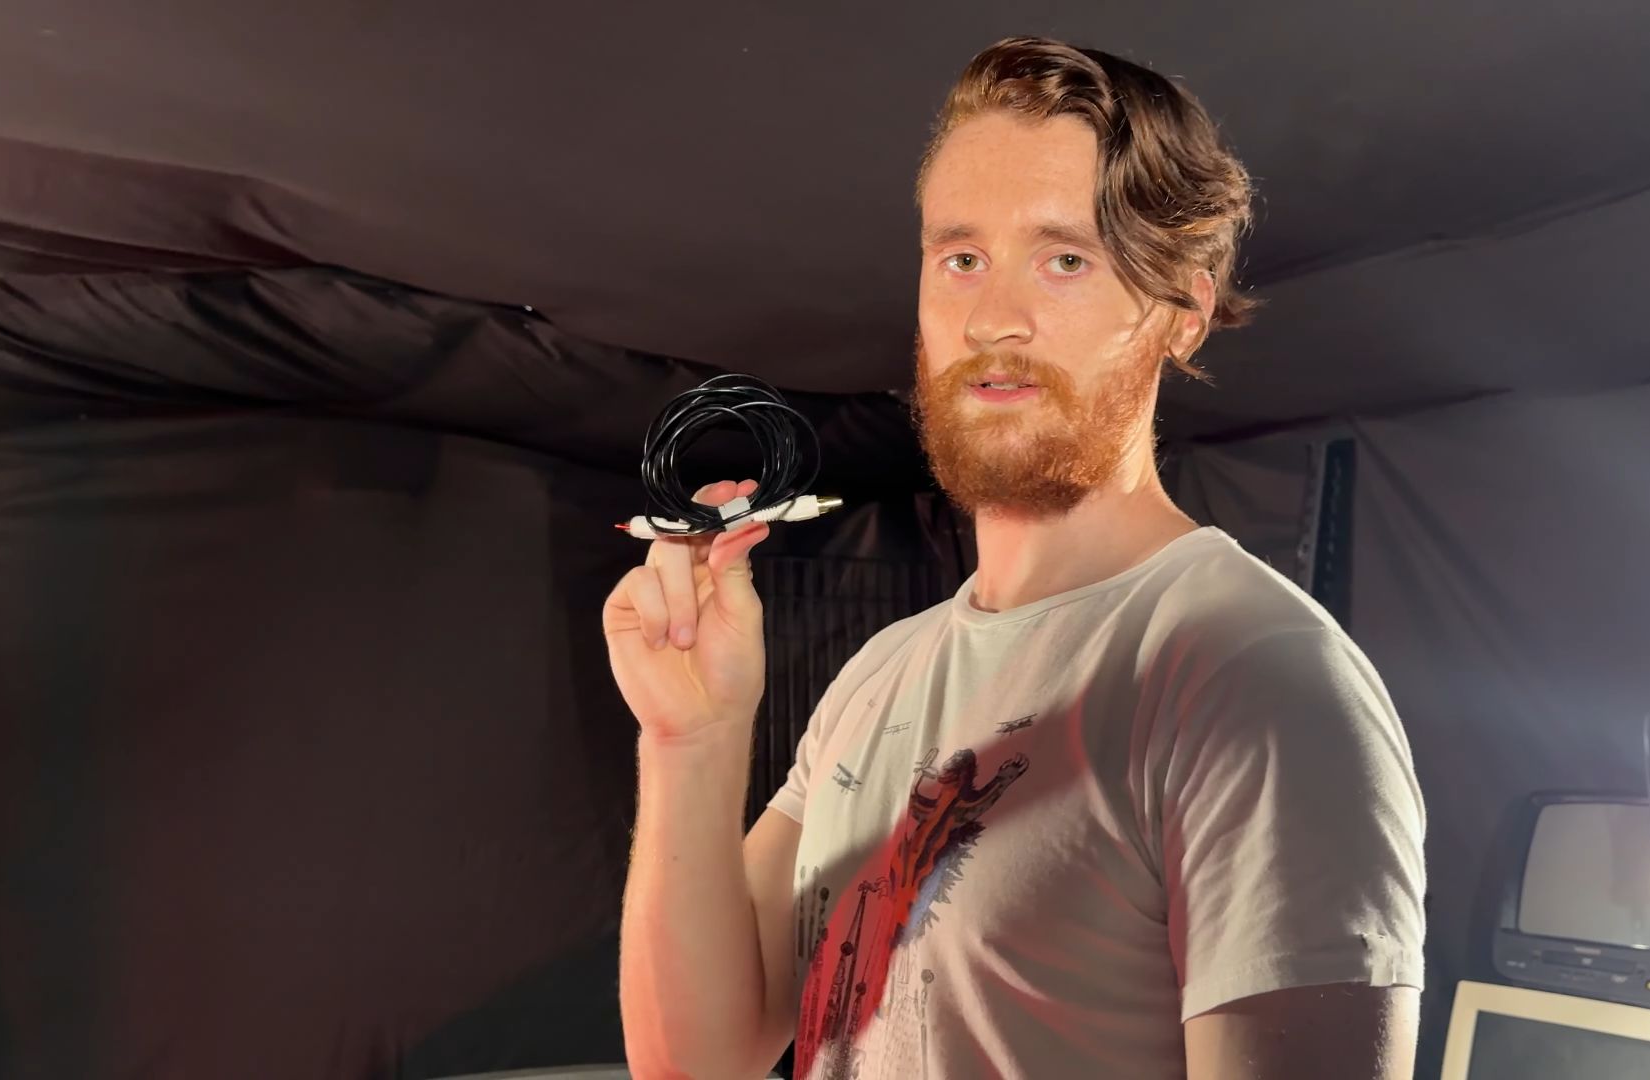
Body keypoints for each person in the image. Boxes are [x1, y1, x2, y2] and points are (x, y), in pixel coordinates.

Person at [606, 36, 1425, 1080]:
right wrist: (692, 741)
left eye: (1066, 259)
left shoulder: (1256, 679)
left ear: (1186, 308)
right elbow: (695, 1063)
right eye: (961, 258)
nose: (992, 318)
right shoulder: (879, 678)